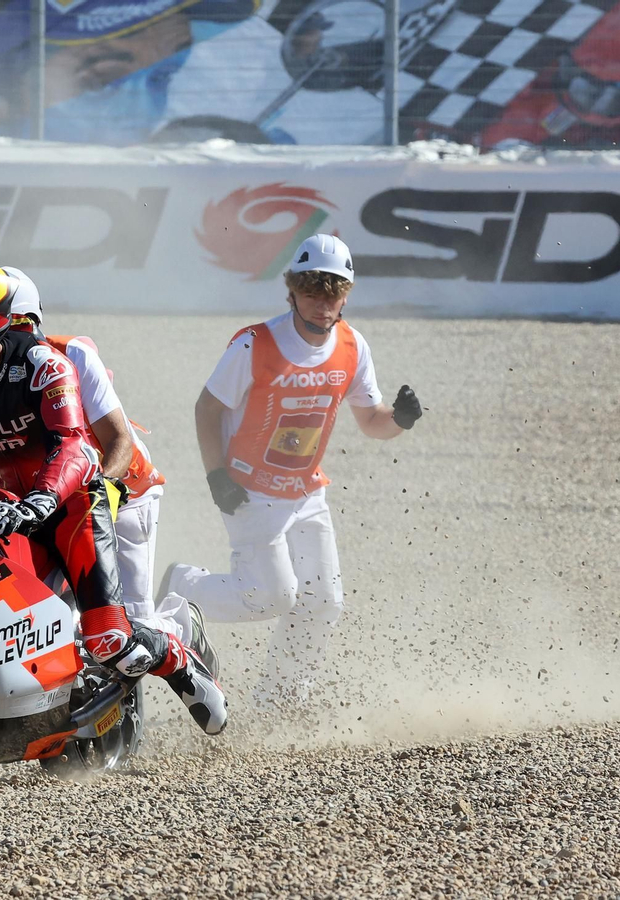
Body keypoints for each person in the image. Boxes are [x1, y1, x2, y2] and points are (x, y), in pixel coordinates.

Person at [0, 260, 226, 735]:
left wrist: (73, 494)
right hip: (31, 497)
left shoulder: (61, 360)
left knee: (124, 635)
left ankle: (177, 638)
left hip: (117, 489)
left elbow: (110, 444)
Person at [159, 234, 422, 713]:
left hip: (306, 491)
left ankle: (278, 704)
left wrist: (399, 421)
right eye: (313, 291)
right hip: (248, 489)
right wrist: (216, 475)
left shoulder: (351, 346)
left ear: (347, 293)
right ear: (292, 290)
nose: (324, 304)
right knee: (271, 596)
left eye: (334, 292)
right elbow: (207, 407)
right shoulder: (255, 343)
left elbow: (371, 420)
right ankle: (181, 589)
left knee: (323, 601)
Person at [0, 265, 218, 676]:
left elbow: (120, 442)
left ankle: (182, 625)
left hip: (124, 490)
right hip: (49, 498)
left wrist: (105, 488)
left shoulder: (71, 355)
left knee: (131, 632)